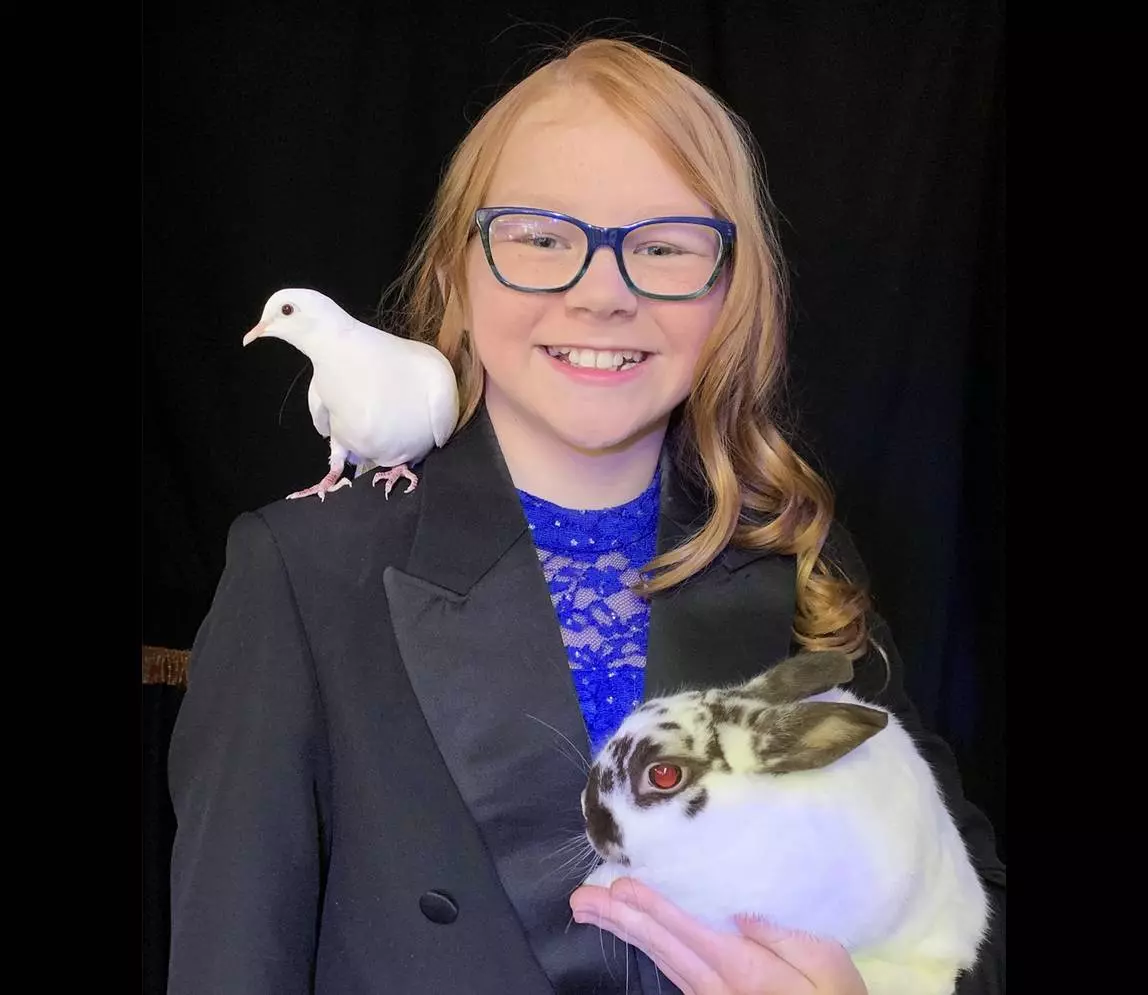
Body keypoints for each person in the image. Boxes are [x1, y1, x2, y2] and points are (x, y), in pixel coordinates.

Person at [167, 37, 1005, 995]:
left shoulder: (796, 555)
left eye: (661, 246)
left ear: (731, 291)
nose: (602, 292)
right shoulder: (301, 573)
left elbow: (969, 916)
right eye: (539, 235)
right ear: (458, 269)